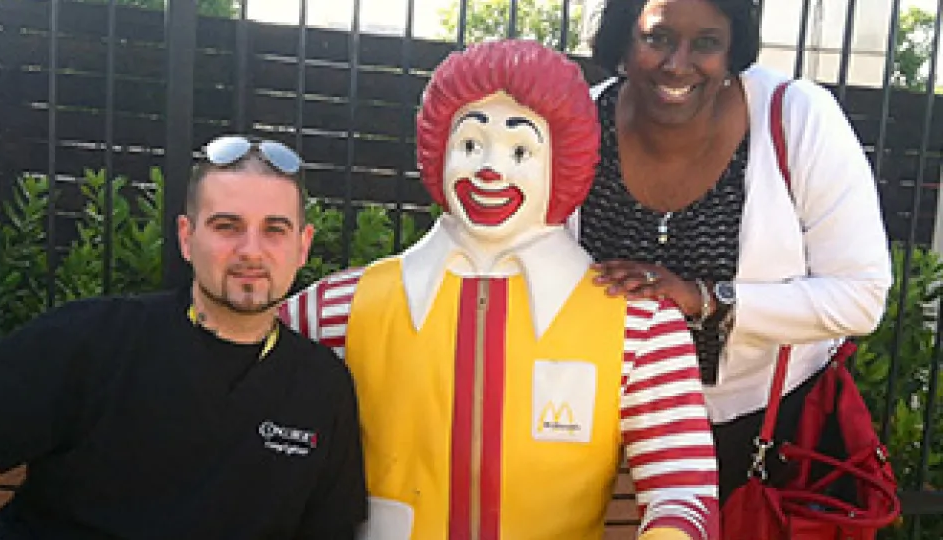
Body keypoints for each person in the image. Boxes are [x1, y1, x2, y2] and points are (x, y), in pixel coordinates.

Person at [281, 40, 718, 540]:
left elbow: (684, 495)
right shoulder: (338, 307)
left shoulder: (641, 329)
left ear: (564, 162)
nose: (490, 169)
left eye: (520, 151)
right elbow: (233, 383)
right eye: (470, 145)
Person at [575, 0, 893, 504]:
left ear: (731, 50)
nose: (677, 64)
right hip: (596, 430)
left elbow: (861, 297)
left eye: (706, 43)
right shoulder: (580, 124)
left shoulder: (795, 117)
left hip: (760, 435)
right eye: (657, 38)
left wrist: (705, 299)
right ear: (623, 37)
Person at [0, 136, 368, 539]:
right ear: (187, 237)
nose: (251, 251)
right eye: (227, 226)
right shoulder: (92, 339)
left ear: (302, 246)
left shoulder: (321, 388)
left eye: (274, 230)